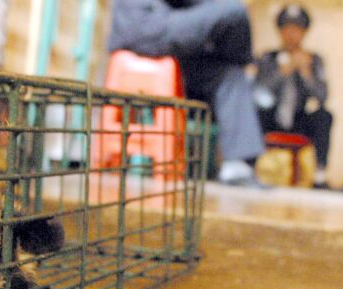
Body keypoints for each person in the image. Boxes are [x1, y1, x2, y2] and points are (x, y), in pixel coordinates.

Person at [108, 0, 266, 187]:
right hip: (146, 26)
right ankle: (242, 61)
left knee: (229, 73)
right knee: (233, 10)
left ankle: (237, 166)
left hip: (171, 39)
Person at [252, 4, 332, 187]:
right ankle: (249, 164)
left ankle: (320, 174)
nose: (291, 34)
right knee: (254, 111)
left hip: (299, 119)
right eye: (287, 28)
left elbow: (322, 97)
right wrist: (282, 74)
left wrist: (306, 73)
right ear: (280, 31)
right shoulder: (267, 58)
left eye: (297, 29)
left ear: (304, 32)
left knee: (324, 115)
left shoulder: (313, 60)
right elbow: (259, 96)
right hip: (271, 117)